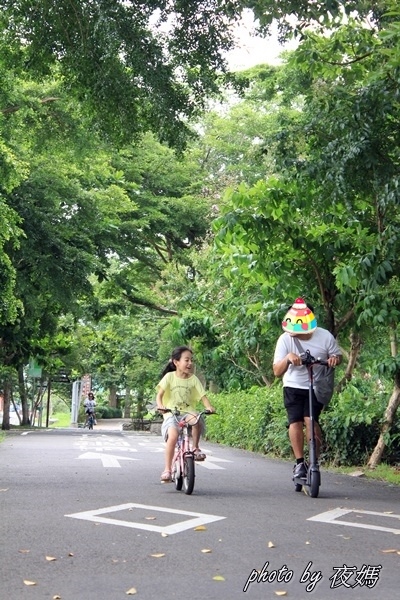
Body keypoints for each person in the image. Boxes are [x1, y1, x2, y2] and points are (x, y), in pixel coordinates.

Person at [273, 298, 342, 480]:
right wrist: (288, 358)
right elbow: (276, 372)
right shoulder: (285, 339)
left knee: (311, 421)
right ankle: (299, 463)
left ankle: (313, 462)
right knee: (295, 421)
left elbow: (337, 356)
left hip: (316, 386)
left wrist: (334, 359)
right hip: (293, 386)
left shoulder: (325, 336)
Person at [156, 346, 215, 483]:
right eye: (186, 360)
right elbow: (159, 395)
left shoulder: (193, 379)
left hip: (187, 412)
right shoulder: (169, 377)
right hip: (171, 413)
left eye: (191, 360)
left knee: (196, 418)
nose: (190, 363)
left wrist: (208, 407)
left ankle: (195, 448)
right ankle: (167, 470)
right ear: (176, 362)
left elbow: (203, 396)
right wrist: (160, 405)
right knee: (173, 436)